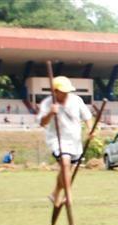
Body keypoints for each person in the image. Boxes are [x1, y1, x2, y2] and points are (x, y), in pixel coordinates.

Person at [37, 76, 94, 207]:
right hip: (57, 139)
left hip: (75, 140)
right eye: (63, 92)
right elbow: (42, 122)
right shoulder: (47, 103)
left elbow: (88, 116)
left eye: (67, 91)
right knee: (65, 162)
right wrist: (51, 113)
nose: (66, 94)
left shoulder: (76, 100)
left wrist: (90, 130)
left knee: (67, 170)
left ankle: (55, 193)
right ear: (55, 91)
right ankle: (68, 196)